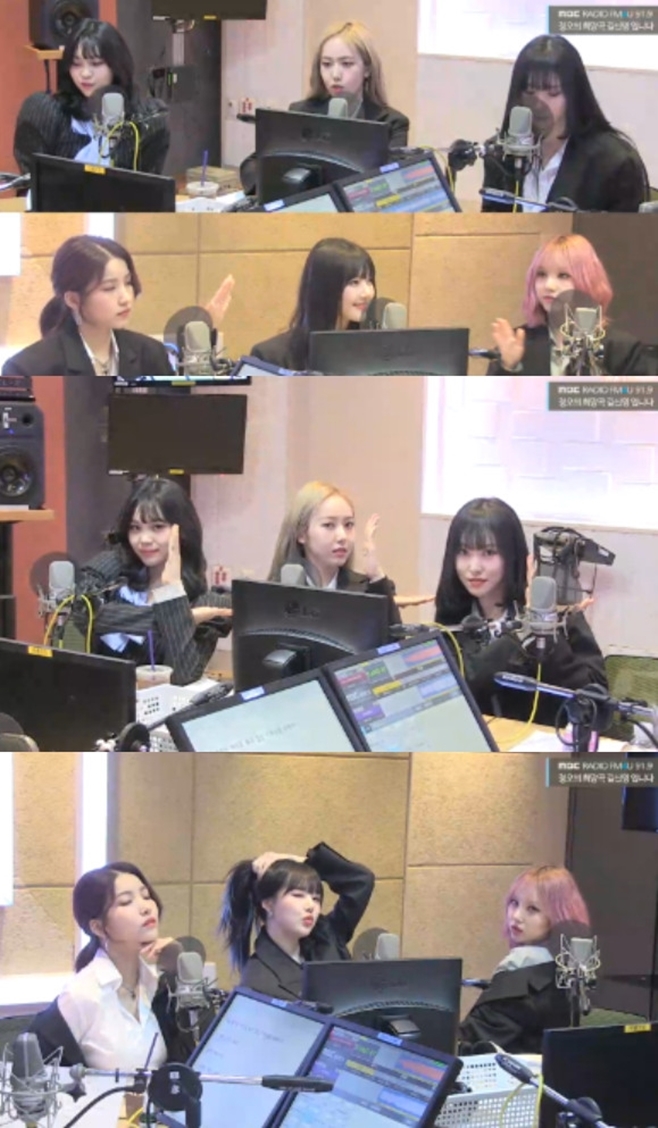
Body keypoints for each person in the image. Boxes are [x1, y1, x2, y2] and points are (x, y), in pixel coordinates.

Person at [434, 497, 607, 726]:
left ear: (512, 556)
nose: (473, 567)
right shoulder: (453, 621)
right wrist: (521, 633)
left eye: (488, 552)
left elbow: (598, 708)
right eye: (464, 552)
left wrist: (541, 623)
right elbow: (460, 690)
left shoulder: (556, 611)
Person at [29, 862, 187, 1069]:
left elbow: (200, 1053)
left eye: (146, 896)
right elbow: (27, 1070)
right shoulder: (82, 994)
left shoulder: (158, 985)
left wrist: (182, 971)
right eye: (126, 902)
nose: (146, 907)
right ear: (98, 927)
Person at [77, 476, 232, 685]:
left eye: (157, 527)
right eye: (135, 528)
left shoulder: (207, 604)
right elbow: (81, 610)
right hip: (98, 695)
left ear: (182, 530)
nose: (144, 539)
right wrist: (178, 619)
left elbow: (182, 677)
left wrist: (173, 593)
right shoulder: (115, 565)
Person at [481, 35, 649, 214]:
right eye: (530, 92)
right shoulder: (500, 154)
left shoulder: (614, 162)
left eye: (553, 93)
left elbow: (627, 231)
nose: (539, 104)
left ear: (574, 94)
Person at [240, 21, 409, 195]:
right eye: (327, 64)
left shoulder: (392, 123)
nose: (335, 75)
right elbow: (250, 167)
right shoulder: (300, 111)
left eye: (346, 64)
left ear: (367, 69)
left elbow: (391, 182)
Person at [459, 866, 591, 1053]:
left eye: (533, 909)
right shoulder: (569, 972)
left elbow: (471, 1042)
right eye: (514, 903)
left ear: (558, 917)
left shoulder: (521, 976)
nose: (516, 916)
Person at [14, 19, 170, 178]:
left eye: (95, 64)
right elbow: (32, 182)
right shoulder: (46, 113)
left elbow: (149, 184)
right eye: (76, 64)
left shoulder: (147, 119)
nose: (85, 74)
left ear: (117, 66)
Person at [2, 235, 172, 378]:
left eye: (128, 283)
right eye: (109, 288)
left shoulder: (151, 353)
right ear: (73, 300)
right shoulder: (27, 369)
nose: (126, 298)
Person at [219, 844, 375, 1000]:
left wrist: (303, 861)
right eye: (298, 895)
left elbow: (361, 881)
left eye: (316, 898)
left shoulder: (327, 936)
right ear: (268, 904)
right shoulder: (257, 981)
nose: (310, 906)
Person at [487, 234, 654, 376]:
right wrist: (508, 367)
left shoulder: (623, 349)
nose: (549, 285)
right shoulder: (515, 344)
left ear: (588, 282)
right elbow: (491, 403)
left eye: (563, 276)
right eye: (541, 274)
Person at [268, 480, 401, 627]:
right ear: (301, 533)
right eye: (329, 525)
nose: (342, 536)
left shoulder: (368, 591)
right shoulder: (273, 594)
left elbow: (396, 638)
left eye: (348, 525)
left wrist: (376, 576)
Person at [250, 238, 377, 370]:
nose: (367, 293)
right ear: (324, 288)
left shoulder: (372, 351)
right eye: (354, 282)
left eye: (369, 281)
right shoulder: (271, 357)